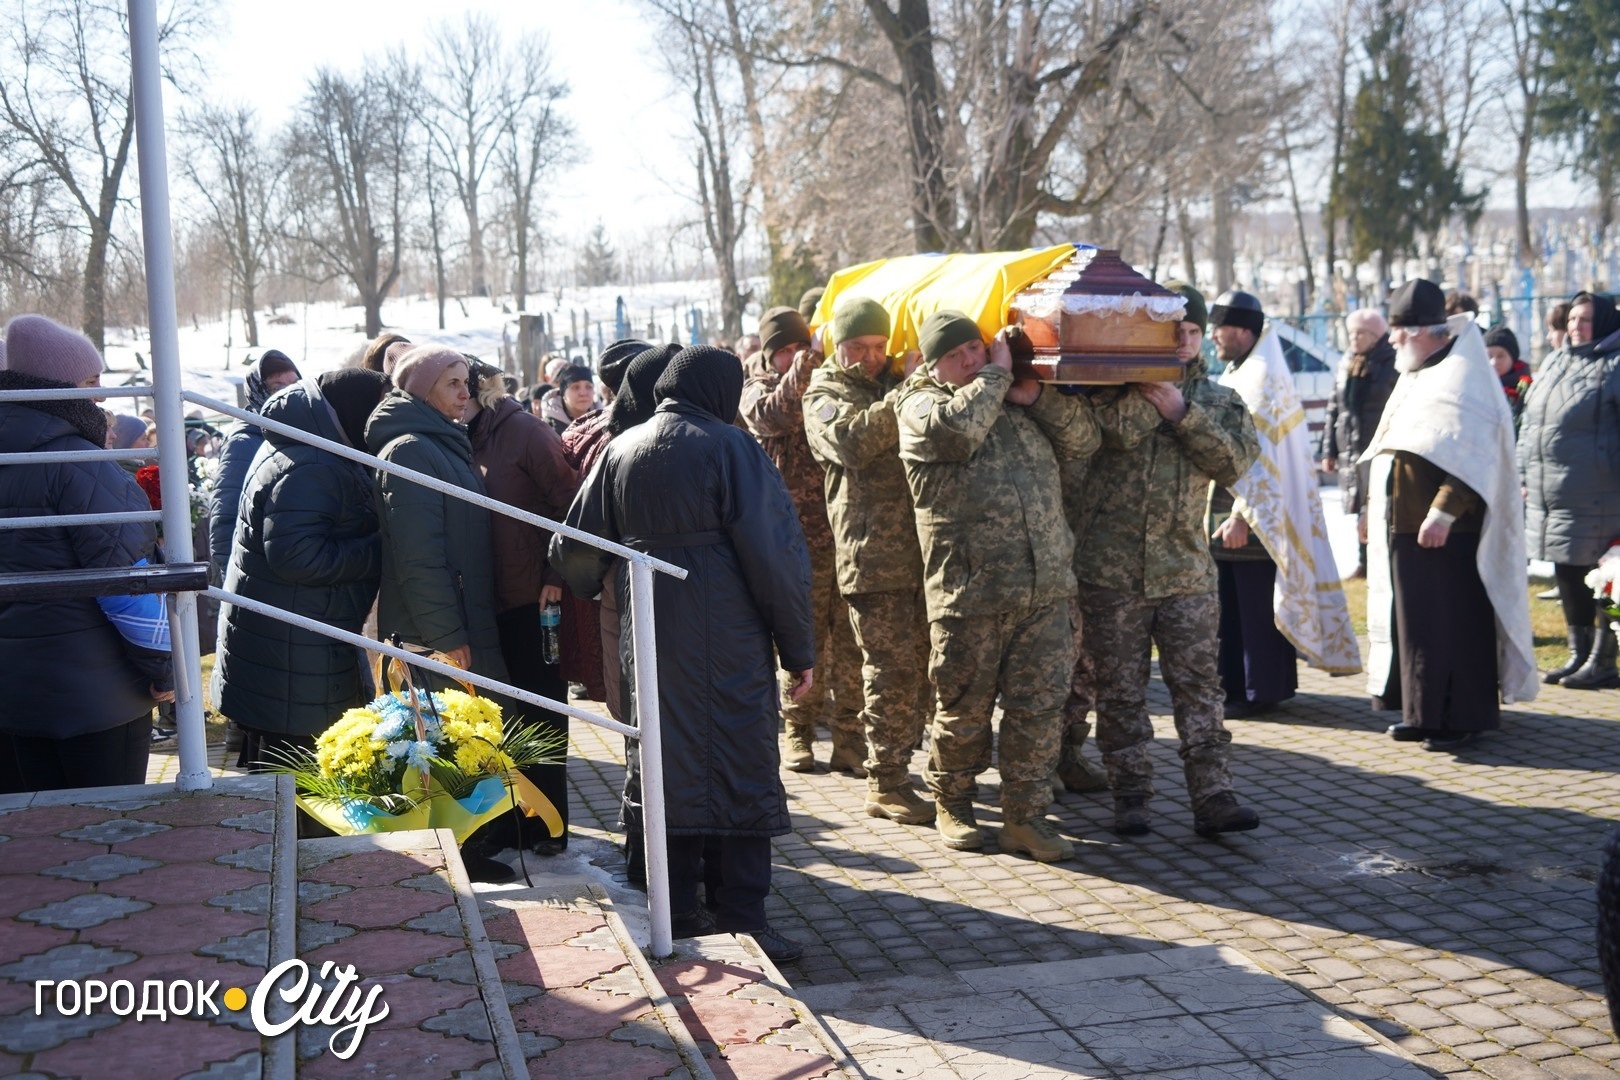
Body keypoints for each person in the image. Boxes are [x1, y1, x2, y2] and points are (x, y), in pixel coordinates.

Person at [551, 345, 815, 963]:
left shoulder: (622, 448)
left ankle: (679, 910)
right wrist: (797, 649)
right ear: (719, 389)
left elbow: (574, 553)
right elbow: (776, 559)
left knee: (665, 765)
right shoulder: (733, 446)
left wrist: (619, 567)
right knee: (739, 766)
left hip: (648, 636)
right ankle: (744, 917)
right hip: (730, 637)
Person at [896, 310, 1100, 862]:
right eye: (957, 354)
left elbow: (1084, 440)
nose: (971, 359)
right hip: (970, 596)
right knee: (963, 712)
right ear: (934, 363)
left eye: (977, 348)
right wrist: (997, 377)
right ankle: (953, 802)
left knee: (1038, 710)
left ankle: (1025, 818)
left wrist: (1035, 398)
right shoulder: (918, 405)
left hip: (1045, 589)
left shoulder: (1010, 399)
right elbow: (956, 431)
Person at [1075, 282, 1263, 838]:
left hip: (1185, 572)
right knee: (1120, 691)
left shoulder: (1221, 401)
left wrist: (1183, 413)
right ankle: (1131, 795)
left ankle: (1214, 796)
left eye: (1191, 332)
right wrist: (1145, 394)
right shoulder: (1107, 395)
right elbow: (1096, 442)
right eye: (1170, 332)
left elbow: (1235, 464)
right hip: (1111, 574)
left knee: (1200, 689)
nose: (1181, 342)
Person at [1363, 279, 1538, 750]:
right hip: (1405, 524)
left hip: (1451, 531)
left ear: (1423, 330)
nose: (1392, 340)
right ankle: (1422, 714)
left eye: (1398, 332)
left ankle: (1462, 717)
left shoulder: (1463, 374)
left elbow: (1475, 457)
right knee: (1417, 625)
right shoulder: (1417, 370)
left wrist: (1442, 513)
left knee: (1455, 624)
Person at [0, 314, 173, 792]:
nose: (101, 395)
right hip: (95, 701)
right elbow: (127, 584)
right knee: (109, 841)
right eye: (91, 381)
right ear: (55, 387)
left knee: (27, 845)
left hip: (13, 700)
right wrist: (164, 669)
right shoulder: (80, 464)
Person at [367, 346, 513, 881]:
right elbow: (418, 555)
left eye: (465, 382)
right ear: (424, 390)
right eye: (452, 383)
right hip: (437, 625)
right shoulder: (409, 451)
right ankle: (455, 853)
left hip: (464, 612)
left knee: (464, 733)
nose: (464, 392)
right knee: (443, 737)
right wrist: (446, 634)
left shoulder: (441, 443)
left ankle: (471, 845)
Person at [215, 369, 389, 769]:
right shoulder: (312, 464)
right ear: (351, 410)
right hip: (295, 651)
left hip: (289, 643)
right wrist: (382, 548)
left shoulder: (307, 444)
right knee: (299, 779)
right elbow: (298, 556)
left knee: (284, 775)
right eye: (377, 408)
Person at [802, 297, 934, 824]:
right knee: (890, 673)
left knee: (920, 674)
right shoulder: (824, 392)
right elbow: (851, 443)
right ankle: (886, 783)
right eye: (858, 346)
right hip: (871, 558)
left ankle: (909, 768)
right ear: (838, 344)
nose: (870, 357)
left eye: (880, 346)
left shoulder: (890, 384)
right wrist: (909, 389)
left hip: (923, 555)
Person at [462, 359, 579, 853]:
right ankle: (511, 818)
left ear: (479, 391)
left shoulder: (526, 432)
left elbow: (572, 505)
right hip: (490, 600)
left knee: (543, 713)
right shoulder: (466, 435)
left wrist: (555, 574)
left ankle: (550, 825)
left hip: (534, 599)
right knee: (503, 716)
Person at [741, 306, 864, 775]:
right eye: (785, 350)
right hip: (793, 542)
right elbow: (776, 416)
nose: (794, 357)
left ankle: (851, 739)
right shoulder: (758, 387)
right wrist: (808, 362)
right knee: (802, 641)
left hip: (846, 534)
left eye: (801, 347)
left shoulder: (829, 381)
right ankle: (799, 732)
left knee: (851, 645)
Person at [1518, 291, 1620, 689]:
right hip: (1554, 490)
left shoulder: (1614, 365)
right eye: (1573, 319)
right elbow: (1531, 425)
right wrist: (1525, 473)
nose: (1576, 327)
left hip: (1600, 491)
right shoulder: (1559, 360)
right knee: (1568, 567)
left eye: (1586, 320)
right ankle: (1579, 651)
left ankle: (1604, 658)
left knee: (1605, 574)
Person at [208, 349, 301, 578]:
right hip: (256, 576)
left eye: (296, 384)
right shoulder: (245, 441)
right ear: (259, 391)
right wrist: (236, 577)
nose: (290, 393)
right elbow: (225, 516)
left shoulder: (299, 432)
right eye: (278, 387)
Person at [1322, 308, 1398, 579]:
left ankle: (1385, 561)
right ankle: (1363, 562)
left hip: (1377, 445)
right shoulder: (1347, 362)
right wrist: (1328, 449)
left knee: (1379, 504)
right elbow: (1335, 407)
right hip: (1350, 447)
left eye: (1361, 333)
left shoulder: (1392, 361)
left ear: (1376, 336)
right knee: (1359, 505)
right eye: (1351, 332)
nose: (1354, 338)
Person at [1484, 326, 1532, 425]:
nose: (1493, 362)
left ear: (1513, 358)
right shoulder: (1475, 385)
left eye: (1500, 356)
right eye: (1489, 356)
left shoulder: (1526, 388)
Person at [539, 365, 600, 436]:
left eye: (589, 387)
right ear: (563, 394)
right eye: (576, 387)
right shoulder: (546, 430)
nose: (583, 393)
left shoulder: (605, 424)